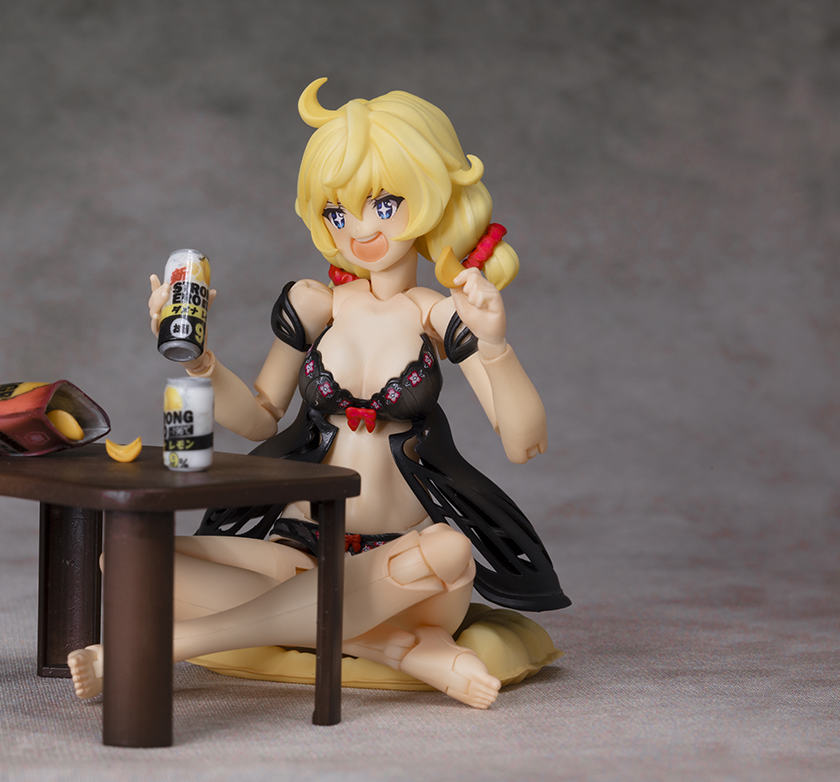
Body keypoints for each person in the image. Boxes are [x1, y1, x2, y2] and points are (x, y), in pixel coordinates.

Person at [70, 78, 566, 709]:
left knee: (450, 549)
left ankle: (156, 648)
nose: (358, 230)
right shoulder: (315, 305)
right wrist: (198, 361)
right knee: (128, 557)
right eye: (337, 213)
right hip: (299, 548)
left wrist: (495, 346)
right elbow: (259, 419)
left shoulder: (438, 316)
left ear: (430, 196)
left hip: (409, 566)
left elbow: (523, 442)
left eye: (382, 205)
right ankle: (394, 648)